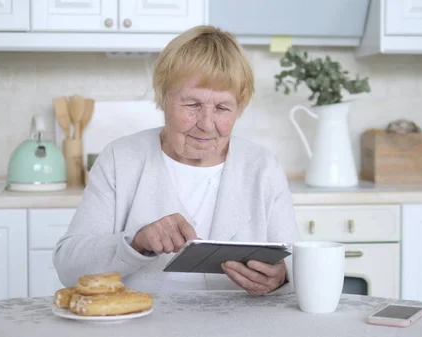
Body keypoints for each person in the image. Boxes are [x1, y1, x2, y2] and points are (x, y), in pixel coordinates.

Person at [53, 25, 299, 296]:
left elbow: (294, 266)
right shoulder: (120, 159)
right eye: (192, 105)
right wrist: (135, 244)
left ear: (239, 108)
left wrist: (281, 279)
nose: (206, 124)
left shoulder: (263, 167)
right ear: (162, 99)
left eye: (222, 108)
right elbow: (68, 268)